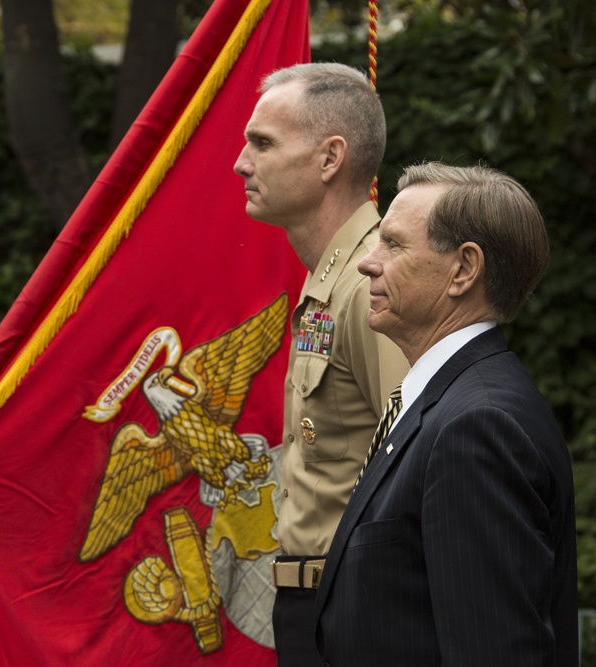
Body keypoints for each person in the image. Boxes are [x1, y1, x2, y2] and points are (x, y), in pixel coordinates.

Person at [315, 162, 578, 665]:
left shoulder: (478, 426)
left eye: (392, 244)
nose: (368, 263)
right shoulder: (448, 403)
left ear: (463, 269)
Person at [233, 62, 408, 665]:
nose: (241, 162)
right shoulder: (331, 283)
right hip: (321, 605)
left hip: (358, 608)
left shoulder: (369, 287)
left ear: (330, 159)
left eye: (262, 142)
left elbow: (416, 462)